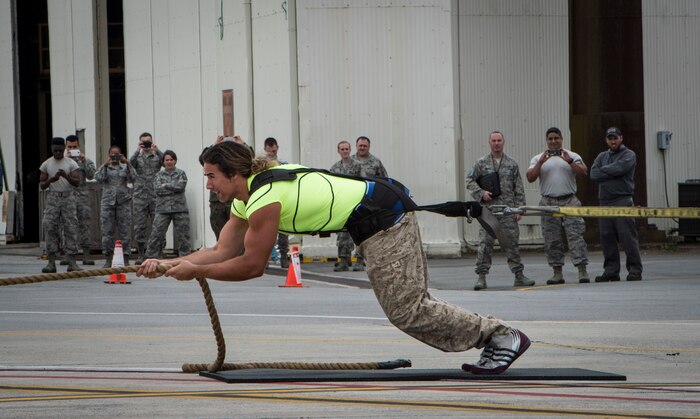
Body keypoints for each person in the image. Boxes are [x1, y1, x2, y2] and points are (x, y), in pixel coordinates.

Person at [138, 141, 530, 374]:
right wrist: (170, 264)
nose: (208, 183)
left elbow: (251, 265)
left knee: (407, 309)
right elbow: (221, 250)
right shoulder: (247, 197)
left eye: (211, 176)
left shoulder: (263, 198)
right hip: (369, 221)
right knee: (407, 308)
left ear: (233, 174)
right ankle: (492, 337)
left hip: (383, 217)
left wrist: (193, 271)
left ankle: (499, 335)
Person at [466, 131, 534, 290]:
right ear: (489, 143)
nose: (496, 143)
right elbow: (469, 181)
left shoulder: (512, 163)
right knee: (485, 245)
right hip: (488, 212)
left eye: (499, 140)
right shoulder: (481, 163)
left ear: (503, 142)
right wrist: (481, 193)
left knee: (512, 243)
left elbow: (519, 187)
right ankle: (481, 277)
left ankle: (519, 275)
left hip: (508, 211)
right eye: (493, 141)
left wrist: (520, 209)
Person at [526, 127, 590, 284]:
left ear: (562, 139)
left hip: (569, 200)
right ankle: (557, 272)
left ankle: (582, 270)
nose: (553, 141)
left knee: (576, 236)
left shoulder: (572, 155)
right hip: (548, 202)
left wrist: (569, 161)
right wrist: (541, 162)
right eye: (550, 139)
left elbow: (584, 172)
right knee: (552, 239)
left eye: (556, 138)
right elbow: (530, 178)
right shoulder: (538, 158)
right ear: (546, 140)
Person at [590, 127, 643, 282]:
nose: (613, 141)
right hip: (604, 201)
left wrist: (604, 171)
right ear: (606, 140)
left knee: (627, 237)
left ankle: (634, 270)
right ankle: (611, 271)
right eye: (610, 138)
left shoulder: (629, 155)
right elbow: (593, 174)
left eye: (615, 138)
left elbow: (622, 168)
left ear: (621, 138)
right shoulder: (602, 156)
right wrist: (613, 171)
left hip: (622, 200)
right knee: (607, 237)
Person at [39, 137, 82, 273]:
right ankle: (51, 263)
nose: (57, 152)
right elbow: (42, 185)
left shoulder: (71, 163)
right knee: (50, 227)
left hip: (68, 198)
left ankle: (72, 262)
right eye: (55, 150)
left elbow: (77, 182)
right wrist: (53, 179)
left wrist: (66, 176)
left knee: (71, 229)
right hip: (53, 198)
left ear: (64, 149)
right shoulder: (46, 164)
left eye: (60, 150)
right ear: (51, 149)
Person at [145, 150, 191, 259]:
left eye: (171, 159)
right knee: (156, 235)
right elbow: (157, 190)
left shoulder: (181, 173)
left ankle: (186, 259)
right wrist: (173, 187)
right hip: (162, 210)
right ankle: (152, 258)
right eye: (167, 160)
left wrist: (165, 185)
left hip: (180, 210)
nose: (169, 162)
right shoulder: (158, 175)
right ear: (163, 162)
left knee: (184, 237)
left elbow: (181, 187)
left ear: (175, 161)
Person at [95, 145, 136, 267]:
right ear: (109, 155)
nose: (115, 157)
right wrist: (105, 165)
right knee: (107, 231)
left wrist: (128, 163)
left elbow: (134, 178)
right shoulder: (106, 167)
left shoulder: (125, 167)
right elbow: (98, 178)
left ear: (121, 155)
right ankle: (108, 258)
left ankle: (126, 258)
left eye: (117, 154)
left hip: (123, 202)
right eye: (112, 155)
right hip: (108, 203)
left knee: (125, 231)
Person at [351, 135, 387, 270]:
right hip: (353, 200)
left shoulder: (376, 162)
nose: (362, 148)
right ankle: (352, 259)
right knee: (353, 230)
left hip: (370, 203)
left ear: (369, 147)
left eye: (364, 146)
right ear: (356, 146)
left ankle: (366, 260)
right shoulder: (351, 161)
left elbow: (384, 180)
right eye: (360, 145)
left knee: (368, 231)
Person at [130, 132, 164, 264]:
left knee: (158, 225)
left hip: (155, 195)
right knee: (139, 226)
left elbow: (166, 161)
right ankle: (140, 254)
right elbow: (130, 164)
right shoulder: (137, 157)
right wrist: (137, 150)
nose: (146, 144)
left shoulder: (157, 156)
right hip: (140, 196)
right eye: (143, 142)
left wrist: (157, 150)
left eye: (148, 141)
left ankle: (159, 253)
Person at [329, 140, 362, 271]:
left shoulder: (357, 165)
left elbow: (361, 183)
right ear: (338, 151)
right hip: (341, 204)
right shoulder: (335, 167)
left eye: (347, 149)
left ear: (350, 150)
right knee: (342, 232)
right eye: (342, 149)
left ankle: (359, 260)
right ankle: (343, 259)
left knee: (357, 232)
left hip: (354, 202)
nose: (345, 152)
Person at [64, 134, 96, 265]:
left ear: (79, 146)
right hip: (67, 197)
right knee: (67, 226)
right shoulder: (61, 160)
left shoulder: (85, 160)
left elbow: (91, 175)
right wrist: (64, 160)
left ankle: (86, 254)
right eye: (69, 147)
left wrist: (84, 159)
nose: (72, 149)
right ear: (66, 147)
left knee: (84, 226)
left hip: (82, 197)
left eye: (74, 146)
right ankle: (69, 255)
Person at [263, 136, 290, 269]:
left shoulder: (283, 163)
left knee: (283, 231)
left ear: (277, 148)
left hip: (281, 199)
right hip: (267, 200)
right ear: (265, 150)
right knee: (267, 231)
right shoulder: (261, 165)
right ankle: (266, 259)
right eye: (269, 152)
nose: (272, 154)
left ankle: (284, 257)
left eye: (273, 151)